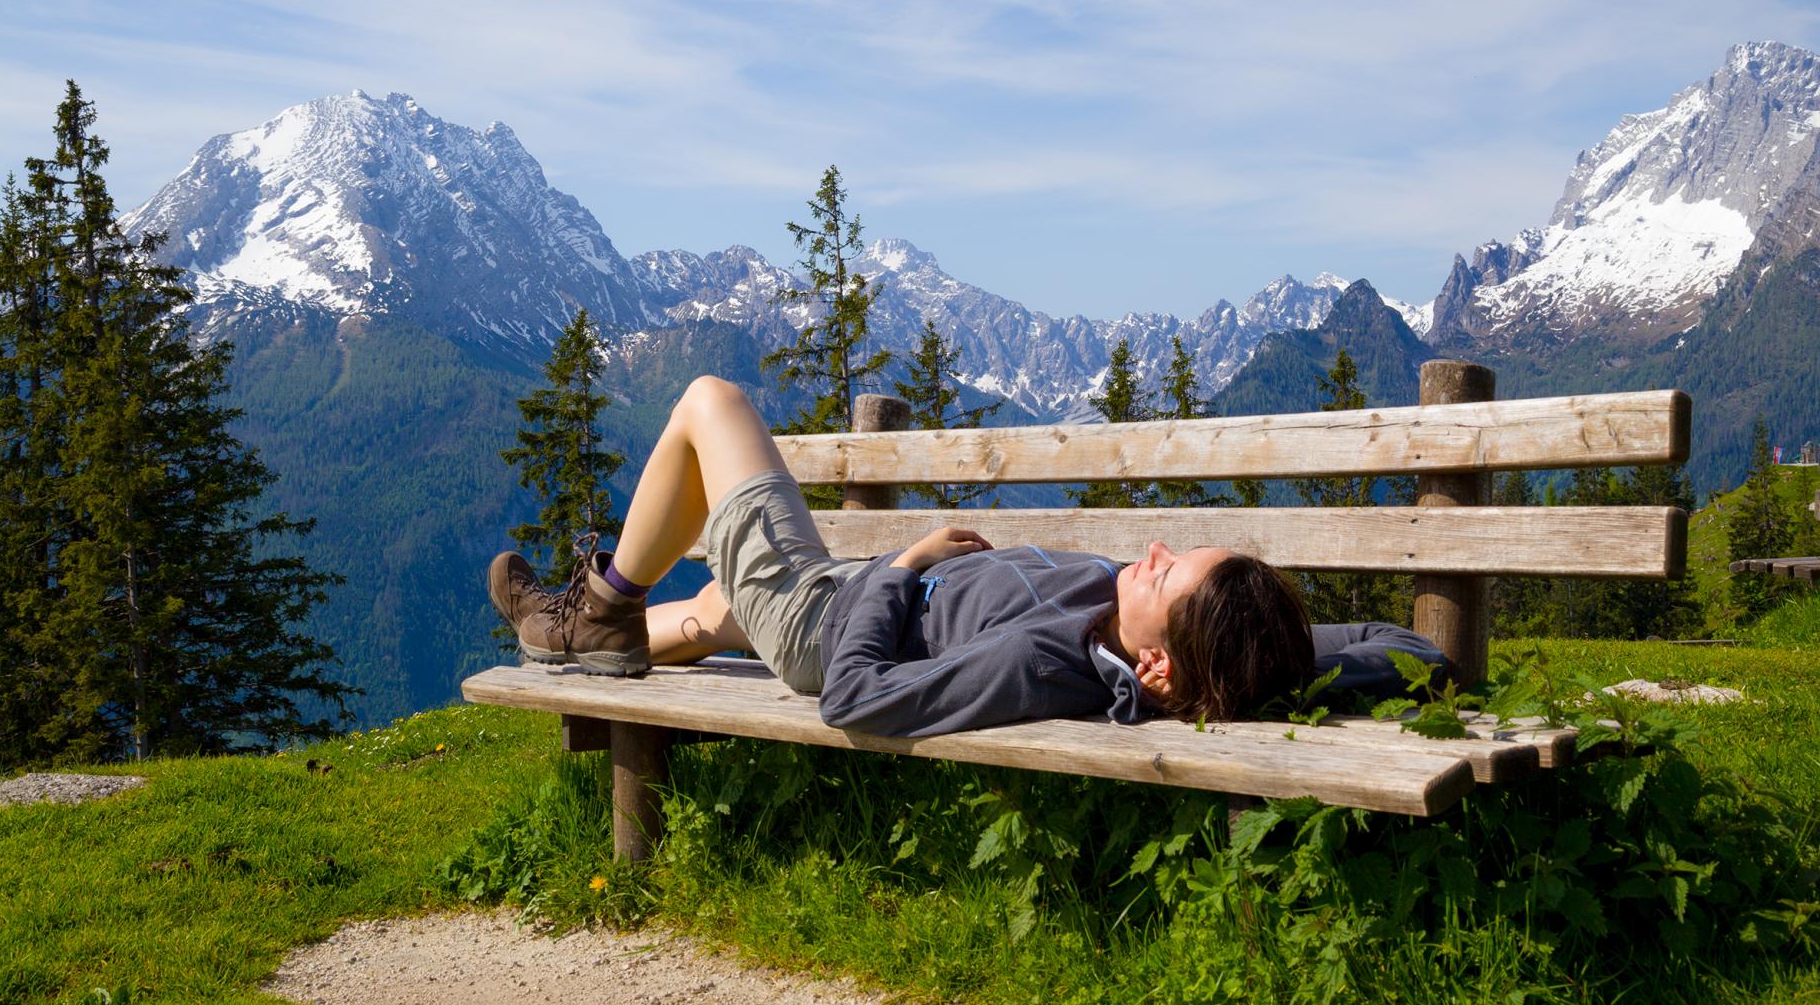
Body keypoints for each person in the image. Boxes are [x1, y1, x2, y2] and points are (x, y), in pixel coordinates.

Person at [488, 375, 1443, 738]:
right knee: (710, 610)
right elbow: (1393, 645)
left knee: (711, 403)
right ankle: (583, 635)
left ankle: (604, 601)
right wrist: (1327, 663)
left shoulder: (1046, 659)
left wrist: (904, 569)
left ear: (1153, 667)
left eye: (1166, 572)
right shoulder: (1194, 645)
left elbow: (855, 699)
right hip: (852, 597)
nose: (1148, 552)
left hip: (833, 616)